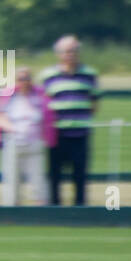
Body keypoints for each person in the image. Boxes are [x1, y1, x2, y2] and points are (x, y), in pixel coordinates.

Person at [40, 35, 101, 206]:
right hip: (57, 133)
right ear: (58, 53)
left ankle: (80, 209)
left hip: (80, 133)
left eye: (74, 51)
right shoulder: (48, 75)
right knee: (54, 175)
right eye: (66, 51)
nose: (70, 55)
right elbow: (43, 103)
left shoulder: (89, 74)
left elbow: (94, 104)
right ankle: (54, 209)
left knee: (80, 174)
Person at [0, 67, 54, 205]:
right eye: (21, 79)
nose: (24, 82)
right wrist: (10, 128)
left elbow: (47, 116)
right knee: (12, 180)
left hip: (34, 144)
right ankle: (11, 209)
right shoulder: (8, 95)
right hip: (13, 144)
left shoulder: (39, 95)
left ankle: (42, 209)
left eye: (27, 78)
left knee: (39, 180)